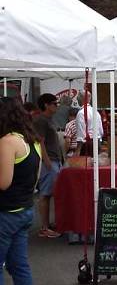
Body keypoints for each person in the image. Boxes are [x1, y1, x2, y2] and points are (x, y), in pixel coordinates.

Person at [0, 96, 42, 285]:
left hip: (6, 213)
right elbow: (35, 179)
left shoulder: (7, 142)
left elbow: (3, 182)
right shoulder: (32, 141)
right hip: (25, 209)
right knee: (19, 266)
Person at [33, 94, 62, 238]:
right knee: (45, 193)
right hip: (49, 161)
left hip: (55, 160)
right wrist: (47, 161)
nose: (57, 105)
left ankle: (47, 225)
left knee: (50, 192)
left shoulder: (49, 119)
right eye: (54, 103)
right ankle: (44, 227)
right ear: (46, 105)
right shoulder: (41, 121)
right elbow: (40, 142)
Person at [75, 92, 103, 156]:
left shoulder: (81, 113)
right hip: (97, 142)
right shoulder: (96, 112)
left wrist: (78, 150)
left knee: (87, 165)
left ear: (82, 99)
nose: (77, 100)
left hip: (87, 144)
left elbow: (81, 134)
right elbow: (101, 131)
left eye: (78, 98)